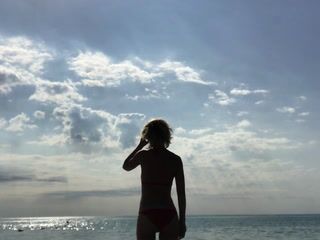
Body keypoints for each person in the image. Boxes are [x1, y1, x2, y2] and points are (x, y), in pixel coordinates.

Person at [123, 119, 186, 240]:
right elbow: (181, 194)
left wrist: (138, 147)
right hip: (168, 212)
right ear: (166, 136)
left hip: (148, 211)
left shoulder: (143, 155)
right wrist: (182, 221)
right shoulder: (175, 160)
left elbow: (126, 166)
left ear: (148, 136)